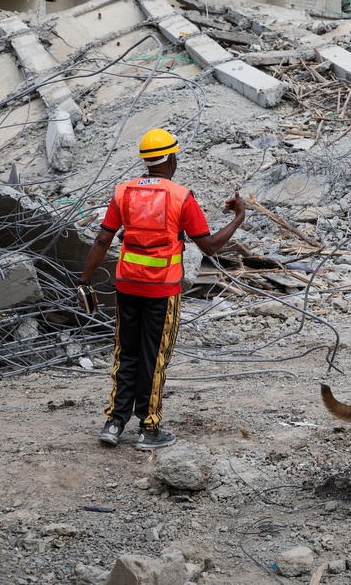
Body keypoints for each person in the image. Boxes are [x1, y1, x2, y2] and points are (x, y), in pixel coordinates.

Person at [78, 128, 245, 450]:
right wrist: (238, 218)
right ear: (171, 159)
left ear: (146, 160)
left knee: (125, 354)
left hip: (126, 284)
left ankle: (114, 423)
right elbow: (209, 247)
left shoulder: (122, 192)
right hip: (161, 290)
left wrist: (84, 281)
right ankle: (149, 429)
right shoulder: (181, 197)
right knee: (153, 358)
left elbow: (102, 240)